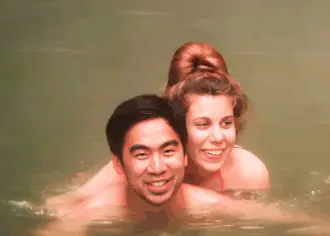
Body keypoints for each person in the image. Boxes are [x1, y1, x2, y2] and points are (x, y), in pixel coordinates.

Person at [27, 95, 303, 236]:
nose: (158, 167)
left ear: (185, 155)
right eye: (142, 154)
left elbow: (293, 221)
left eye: (168, 151)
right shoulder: (96, 210)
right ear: (119, 165)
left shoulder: (210, 204)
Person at [45, 43, 268, 213]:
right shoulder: (137, 167)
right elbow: (62, 205)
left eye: (226, 123)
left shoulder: (249, 173)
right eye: (202, 124)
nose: (218, 137)